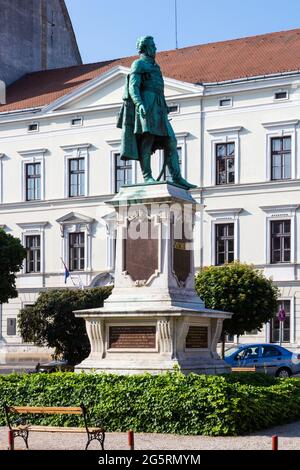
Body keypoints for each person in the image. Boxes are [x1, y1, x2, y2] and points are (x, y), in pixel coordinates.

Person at [117, 36, 197, 190]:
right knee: (147, 140)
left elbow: (159, 88)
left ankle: (176, 177)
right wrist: (139, 104)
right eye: (153, 46)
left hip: (159, 105)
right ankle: (147, 176)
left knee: (171, 141)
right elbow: (133, 87)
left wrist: (165, 107)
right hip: (147, 104)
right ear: (145, 48)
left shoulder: (156, 66)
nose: (155, 49)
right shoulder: (138, 64)